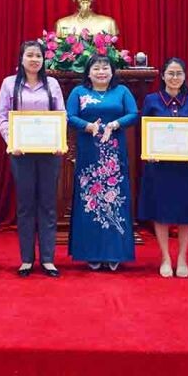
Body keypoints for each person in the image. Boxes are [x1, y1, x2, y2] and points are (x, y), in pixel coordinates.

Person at [0, 41, 66, 278]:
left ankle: (48, 259)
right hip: (21, 153)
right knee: (25, 206)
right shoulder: (9, 83)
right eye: (30, 55)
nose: (34, 59)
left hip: (49, 153)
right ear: (21, 58)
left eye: (38, 56)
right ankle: (26, 259)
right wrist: (11, 141)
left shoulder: (52, 83)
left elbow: (61, 115)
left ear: (44, 60)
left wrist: (59, 141)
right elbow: (2, 116)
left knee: (48, 205)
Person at [65, 55, 138, 271]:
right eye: (96, 68)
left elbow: (133, 114)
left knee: (115, 201)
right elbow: (69, 116)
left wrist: (114, 124)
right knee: (90, 202)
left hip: (114, 154)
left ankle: (115, 253)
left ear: (112, 72)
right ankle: (91, 252)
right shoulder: (78, 92)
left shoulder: (122, 91)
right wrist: (88, 126)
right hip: (88, 153)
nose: (101, 72)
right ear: (88, 73)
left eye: (105, 68)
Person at [139, 57, 188, 278]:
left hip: (185, 167)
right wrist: (150, 151)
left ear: (185, 76)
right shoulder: (151, 100)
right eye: (170, 73)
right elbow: (145, 131)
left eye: (179, 73)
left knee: (186, 213)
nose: (175, 77)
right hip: (159, 167)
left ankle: (183, 258)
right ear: (163, 76)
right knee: (161, 212)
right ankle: (166, 257)